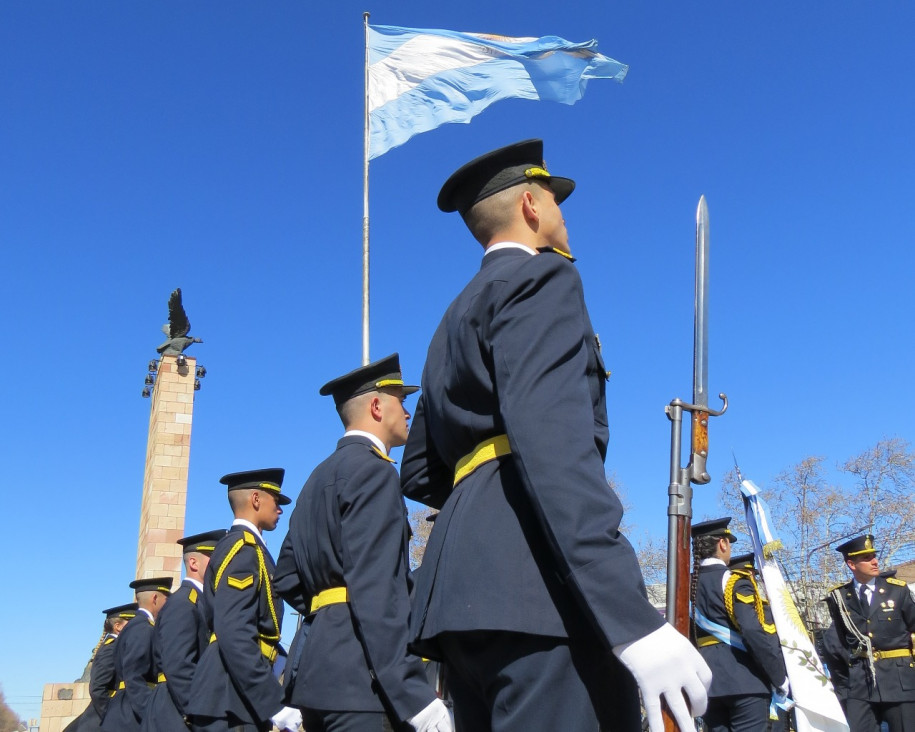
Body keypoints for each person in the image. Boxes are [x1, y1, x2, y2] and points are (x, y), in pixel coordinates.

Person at [401, 138, 711, 732]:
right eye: (557, 201)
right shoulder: (544, 280)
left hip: (464, 597)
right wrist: (630, 617)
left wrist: (488, 512)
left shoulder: (451, 320)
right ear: (532, 205)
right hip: (542, 593)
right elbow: (554, 443)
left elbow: (418, 471)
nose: (566, 217)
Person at [274, 354, 451, 732]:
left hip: (316, 676)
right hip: (362, 682)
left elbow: (287, 575)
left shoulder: (315, 480)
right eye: (400, 401)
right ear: (375, 406)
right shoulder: (374, 474)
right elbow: (377, 589)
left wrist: (333, 610)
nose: (407, 412)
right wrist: (414, 696)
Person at [186, 469, 302, 732]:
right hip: (229, 694)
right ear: (256, 499)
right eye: (276, 499)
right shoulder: (242, 550)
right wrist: (273, 702)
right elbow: (235, 630)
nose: (280, 509)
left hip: (237, 693)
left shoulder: (251, 549)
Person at [691, 518, 789, 732]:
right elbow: (752, 630)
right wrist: (779, 677)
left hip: (706, 684)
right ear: (723, 544)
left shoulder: (686, 586)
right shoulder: (735, 580)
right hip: (745, 681)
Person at [825, 534, 915, 732]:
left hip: (899, 680)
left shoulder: (897, 591)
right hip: (861, 683)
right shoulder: (839, 597)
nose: (875, 561)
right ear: (851, 564)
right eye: (866, 558)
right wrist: (845, 684)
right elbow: (839, 643)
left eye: (874, 556)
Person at [142, 529, 227, 732]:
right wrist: (201, 716)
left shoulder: (202, 601)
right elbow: (179, 665)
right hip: (175, 712)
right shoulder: (183, 604)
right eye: (214, 559)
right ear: (193, 564)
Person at [101, 577, 173, 732]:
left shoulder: (135, 626)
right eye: (166, 599)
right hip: (132, 715)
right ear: (155, 598)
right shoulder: (143, 629)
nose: (169, 604)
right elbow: (134, 675)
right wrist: (150, 711)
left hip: (127, 707)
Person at [64, 603, 138, 732]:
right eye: (130, 622)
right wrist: (111, 716)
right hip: (99, 723)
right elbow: (97, 688)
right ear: (118, 627)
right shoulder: (111, 648)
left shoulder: (115, 646)